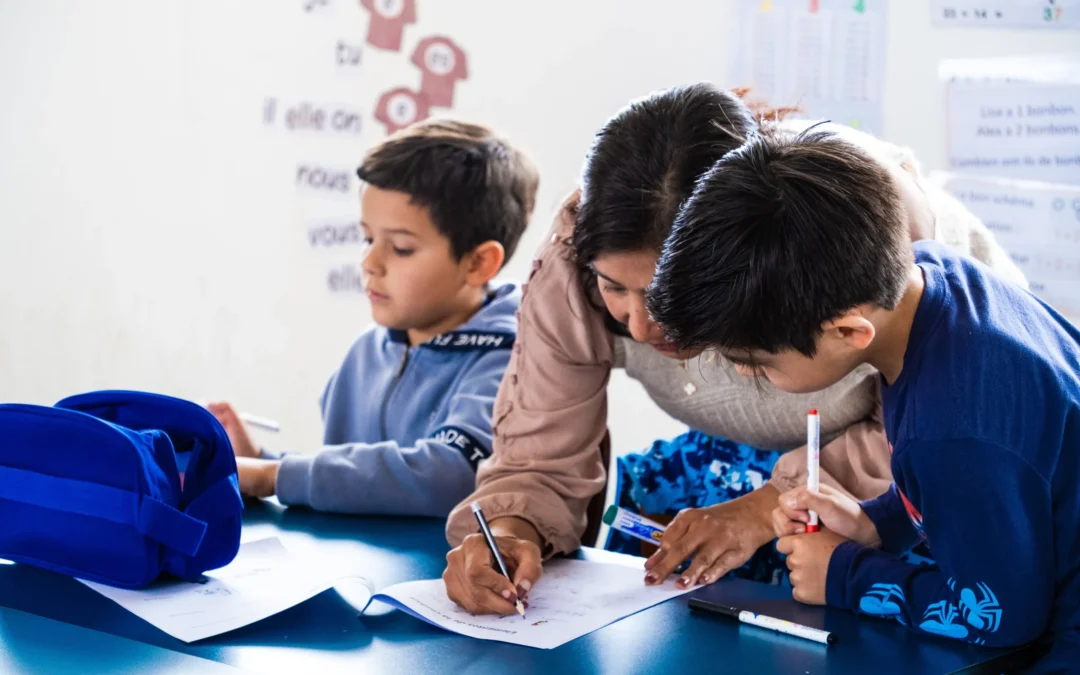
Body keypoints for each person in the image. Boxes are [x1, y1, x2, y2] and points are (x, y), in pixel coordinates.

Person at [440, 84, 1025, 616]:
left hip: (921, 452)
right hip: (779, 459)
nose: (641, 327)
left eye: (664, 295)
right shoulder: (572, 259)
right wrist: (511, 528)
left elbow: (938, 436)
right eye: (613, 287)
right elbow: (539, 454)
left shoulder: (861, 238)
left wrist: (765, 509)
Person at [648, 124, 1079, 669]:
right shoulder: (937, 276)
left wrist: (844, 575)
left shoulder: (954, 427)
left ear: (849, 333)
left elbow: (997, 618)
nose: (746, 374)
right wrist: (878, 521)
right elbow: (1006, 490)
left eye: (757, 363)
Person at [208, 118, 539, 516]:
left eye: (400, 248)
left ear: (479, 263)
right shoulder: (367, 351)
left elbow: (449, 476)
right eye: (367, 239)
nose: (369, 262)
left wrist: (272, 474)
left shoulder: (508, 361)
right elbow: (363, 486)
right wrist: (259, 458)